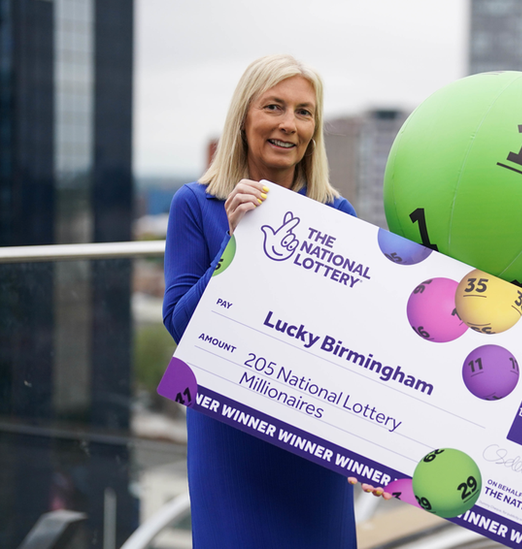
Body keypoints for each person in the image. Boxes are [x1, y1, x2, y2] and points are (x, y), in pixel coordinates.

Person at [163, 54, 358, 548]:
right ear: (245, 116)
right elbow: (181, 327)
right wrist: (236, 244)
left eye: (304, 111)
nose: (289, 124)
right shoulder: (196, 203)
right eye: (274, 106)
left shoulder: (337, 213)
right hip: (229, 442)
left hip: (311, 438)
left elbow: (351, 337)